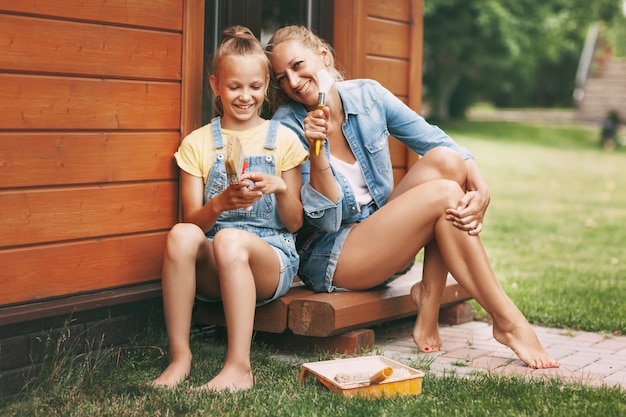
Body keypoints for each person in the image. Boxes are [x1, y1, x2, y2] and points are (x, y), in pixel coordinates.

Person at [265, 25, 559, 369]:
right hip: (333, 256)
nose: (294, 82)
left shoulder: (368, 96)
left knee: (448, 164)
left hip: (381, 234)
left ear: (324, 58)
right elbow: (325, 220)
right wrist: (316, 150)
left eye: (298, 66)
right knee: (445, 193)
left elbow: (440, 143)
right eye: (282, 78)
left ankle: (429, 298)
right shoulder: (288, 128)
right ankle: (508, 321)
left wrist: (482, 188)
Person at [152, 26, 308, 392]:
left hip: (270, 258)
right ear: (215, 85)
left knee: (231, 241)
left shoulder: (283, 139)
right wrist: (220, 203)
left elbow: (295, 221)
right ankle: (180, 357)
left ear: (266, 86)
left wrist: (281, 188)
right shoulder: (198, 143)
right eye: (234, 86)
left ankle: (239, 367)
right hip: (215, 259)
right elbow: (191, 219)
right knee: (181, 234)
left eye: (254, 87)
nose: (245, 96)